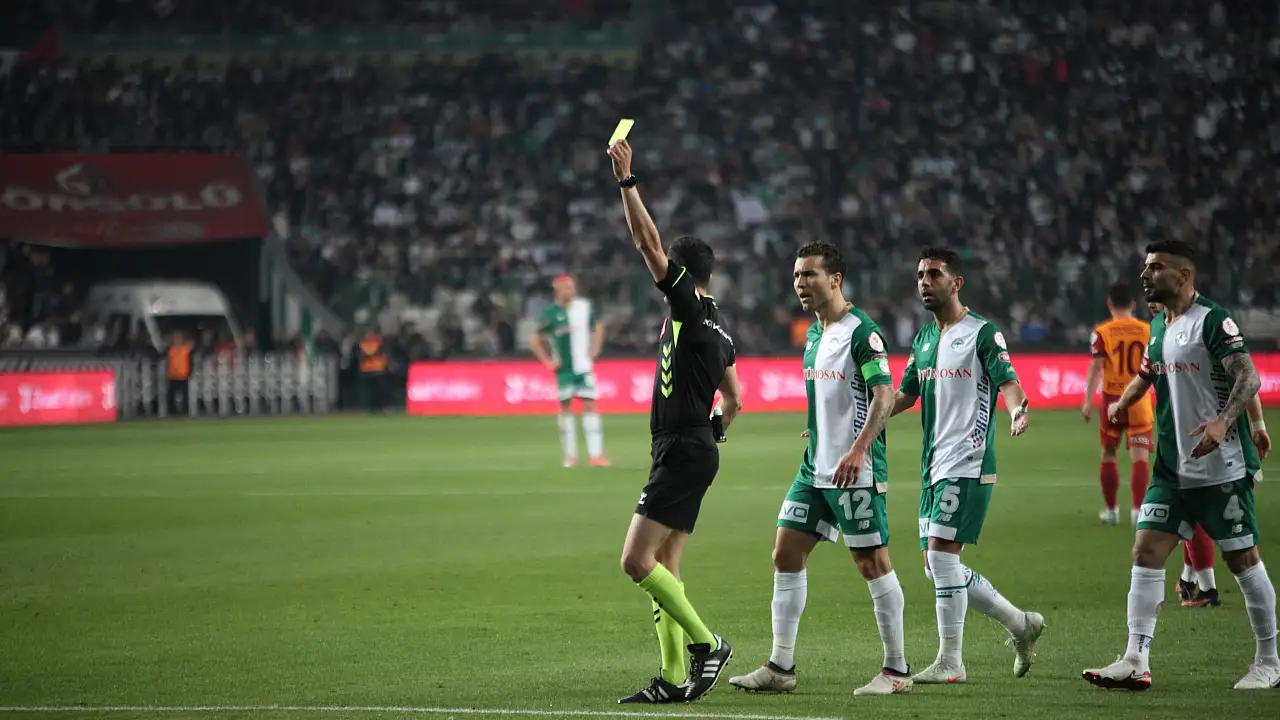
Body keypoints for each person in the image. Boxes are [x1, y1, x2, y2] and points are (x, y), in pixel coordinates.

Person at [1083, 241, 1277, 691]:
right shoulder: (1157, 325)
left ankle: (1270, 661)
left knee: (1242, 559)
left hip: (1221, 467)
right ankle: (1135, 659)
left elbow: (1248, 375)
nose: (1145, 275)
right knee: (1145, 552)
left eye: (1156, 267)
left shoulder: (1212, 320)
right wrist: (1121, 404)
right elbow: (1146, 375)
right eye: (1145, 267)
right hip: (1171, 469)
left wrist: (1224, 422)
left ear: (1184, 276)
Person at [729, 242, 911, 697]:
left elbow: (883, 395)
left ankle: (897, 670)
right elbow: (833, 397)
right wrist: (820, 428)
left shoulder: (861, 332)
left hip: (854, 470)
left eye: (809, 274)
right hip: (815, 468)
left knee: (872, 563)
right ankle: (781, 666)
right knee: (785, 553)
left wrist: (858, 449)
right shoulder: (814, 334)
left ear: (835, 279)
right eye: (796, 276)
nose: (800, 283)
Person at [607, 138, 742, 704]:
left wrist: (626, 180)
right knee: (666, 564)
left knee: (635, 561)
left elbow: (646, 241)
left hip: (680, 448)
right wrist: (714, 433)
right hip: (697, 447)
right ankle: (670, 676)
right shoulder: (720, 330)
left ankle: (708, 644)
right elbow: (734, 400)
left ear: (684, 274)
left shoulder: (685, 304)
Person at [890, 246, 1046, 684]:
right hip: (932, 465)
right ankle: (1020, 623)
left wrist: (1017, 411)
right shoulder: (923, 339)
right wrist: (862, 422)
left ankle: (951, 662)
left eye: (934, 274)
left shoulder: (982, 333)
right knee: (936, 565)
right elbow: (905, 394)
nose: (925, 282)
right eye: (920, 275)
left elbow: (1008, 382)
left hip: (968, 460)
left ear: (956, 283)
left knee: (942, 557)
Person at [1143, 301, 1272, 609]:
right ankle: (1192, 580)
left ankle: (1208, 587)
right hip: (1193, 447)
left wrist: (1257, 427)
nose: (1154, 308)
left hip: (1223, 450)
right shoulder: (1163, 333)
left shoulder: (1204, 333)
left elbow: (1247, 381)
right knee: (1189, 521)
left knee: (1239, 551)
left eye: (1158, 302)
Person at [1082, 283, 1152, 526]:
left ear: (1109, 304)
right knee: (1139, 457)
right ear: (1133, 304)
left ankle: (1111, 511)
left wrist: (1087, 401)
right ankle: (1138, 512)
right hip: (1139, 399)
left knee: (1109, 453)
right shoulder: (1147, 330)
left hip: (1112, 399)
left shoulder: (1102, 332)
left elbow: (1096, 368)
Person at [530, 274, 610, 467]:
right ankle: (570, 456)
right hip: (564, 369)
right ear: (557, 290)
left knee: (590, 405)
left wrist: (595, 348)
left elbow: (598, 326)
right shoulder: (550, 314)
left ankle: (596, 455)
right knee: (566, 409)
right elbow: (535, 338)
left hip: (583, 367)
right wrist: (547, 361)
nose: (570, 291)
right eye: (566, 287)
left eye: (572, 287)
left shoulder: (584, 308)